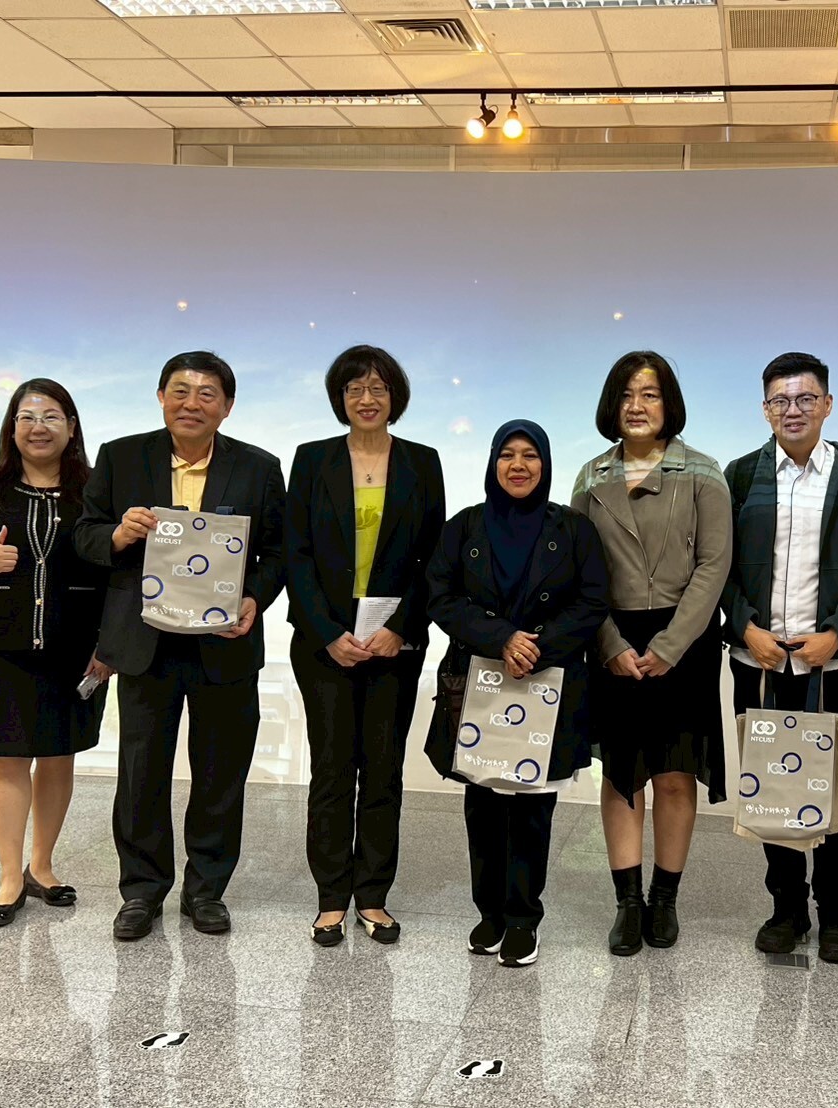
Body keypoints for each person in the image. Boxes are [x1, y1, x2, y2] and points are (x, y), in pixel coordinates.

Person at [74, 351, 286, 941]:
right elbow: (85, 535)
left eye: (207, 393)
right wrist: (119, 533)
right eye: (180, 391)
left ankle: (206, 889)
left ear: (227, 406)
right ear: (161, 397)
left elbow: (278, 552)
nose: (192, 403)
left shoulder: (259, 467)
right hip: (146, 642)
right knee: (141, 772)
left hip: (225, 641)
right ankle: (141, 891)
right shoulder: (121, 456)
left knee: (221, 772)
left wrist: (254, 599)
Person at [720, 352, 838, 964]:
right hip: (760, 662)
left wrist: (837, 634)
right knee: (772, 783)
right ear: (765, 408)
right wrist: (745, 626)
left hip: (833, 665)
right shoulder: (742, 475)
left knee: (831, 785)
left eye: (805, 398)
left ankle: (837, 913)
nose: (792, 410)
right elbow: (718, 564)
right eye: (780, 400)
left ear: (827, 404)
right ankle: (786, 909)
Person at [424, 420, 609, 968]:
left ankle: (524, 918)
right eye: (507, 455)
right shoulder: (464, 526)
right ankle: (490, 913)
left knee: (531, 807)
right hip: (478, 678)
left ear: (545, 465)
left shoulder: (573, 530)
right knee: (482, 802)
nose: (519, 465)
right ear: (493, 463)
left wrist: (535, 646)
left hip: (545, 682)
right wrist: (500, 637)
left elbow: (592, 601)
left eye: (530, 455)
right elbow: (440, 595)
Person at [572, 351, 731, 955]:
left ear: (670, 404)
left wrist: (669, 646)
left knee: (673, 774)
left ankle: (665, 898)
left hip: (684, 641)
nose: (636, 406)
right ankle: (628, 902)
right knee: (621, 775)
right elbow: (580, 571)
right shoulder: (590, 478)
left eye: (650, 394)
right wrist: (609, 643)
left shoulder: (704, 473)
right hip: (611, 638)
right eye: (626, 395)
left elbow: (714, 567)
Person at [286, 346, 445, 947]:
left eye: (378, 387)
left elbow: (433, 559)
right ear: (340, 398)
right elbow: (297, 554)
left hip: (392, 645)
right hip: (325, 642)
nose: (367, 398)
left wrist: (400, 627)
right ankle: (331, 897)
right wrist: (327, 632)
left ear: (395, 396)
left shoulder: (422, 462)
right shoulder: (312, 459)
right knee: (331, 770)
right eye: (354, 388)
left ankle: (373, 895)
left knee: (382, 771)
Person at [0, 378, 110, 927]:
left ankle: (44, 866)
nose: (39, 427)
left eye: (52, 416)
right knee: (7, 759)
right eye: (27, 417)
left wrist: (109, 645)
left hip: (74, 651)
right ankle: (10, 878)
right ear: (12, 427)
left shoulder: (95, 490)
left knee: (59, 757)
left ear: (71, 427)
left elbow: (116, 568)